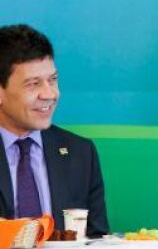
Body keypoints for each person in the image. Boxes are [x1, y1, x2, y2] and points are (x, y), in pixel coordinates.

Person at [0, 24, 109, 236]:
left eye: (53, 80)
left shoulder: (81, 153)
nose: (49, 94)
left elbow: (97, 241)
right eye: (33, 84)